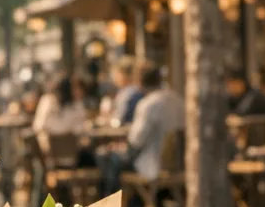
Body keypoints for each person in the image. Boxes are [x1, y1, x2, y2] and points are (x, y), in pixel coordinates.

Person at [100, 62, 184, 196]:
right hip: (178, 164)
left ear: (139, 82)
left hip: (154, 165)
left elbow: (136, 140)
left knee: (109, 158)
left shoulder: (148, 104)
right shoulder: (177, 99)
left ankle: (117, 204)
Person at [32, 74, 87, 152]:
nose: (77, 92)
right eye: (74, 89)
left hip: (64, 151)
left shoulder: (75, 105)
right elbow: (39, 127)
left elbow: (38, 126)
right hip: (55, 151)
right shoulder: (49, 101)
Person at [110, 56, 144, 125]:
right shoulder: (125, 91)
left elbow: (120, 118)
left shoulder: (132, 92)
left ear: (125, 75)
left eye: (117, 74)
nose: (115, 78)